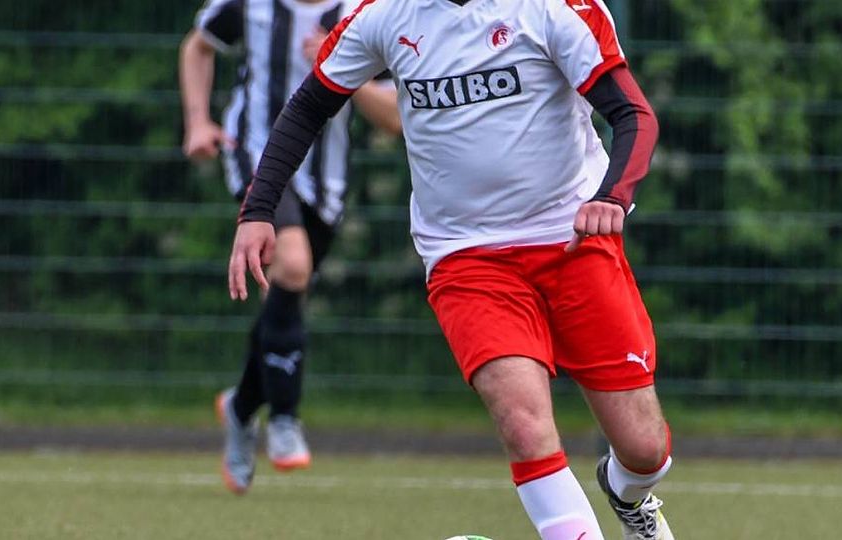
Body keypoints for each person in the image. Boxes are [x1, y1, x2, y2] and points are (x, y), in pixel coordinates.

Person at [229, 0, 673, 538]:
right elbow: (307, 107)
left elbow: (634, 114)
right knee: (523, 424)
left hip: (574, 241)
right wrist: (258, 209)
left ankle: (629, 494)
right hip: (465, 255)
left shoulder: (557, 9)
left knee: (645, 449)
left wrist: (612, 197)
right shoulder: (383, 15)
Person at [179, 0, 400, 495]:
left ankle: (240, 408)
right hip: (256, 158)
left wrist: (346, 71)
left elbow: (396, 120)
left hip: (325, 179)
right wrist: (197, 121)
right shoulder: (249, 5)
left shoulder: (365, 14)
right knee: (294, 265)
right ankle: (283, 416)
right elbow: (198, 47)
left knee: (283, 292)